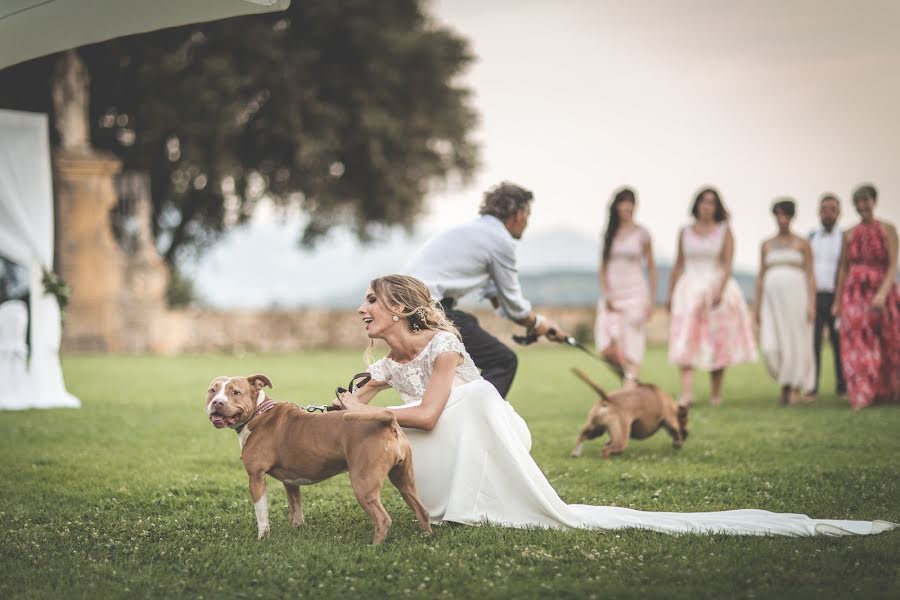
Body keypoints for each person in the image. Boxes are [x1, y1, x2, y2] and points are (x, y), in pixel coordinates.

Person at [335, 274, 895, 536]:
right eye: (363, 301)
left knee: (475, 398)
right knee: (393, 424)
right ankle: (436, 501)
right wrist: (347, 403)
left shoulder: (444, 345)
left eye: (371, 301)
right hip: (445, 436)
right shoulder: (386, 362)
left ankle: (472, 498)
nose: (363, 309)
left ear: (401, 308)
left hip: (486, 428)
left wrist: (362, 411)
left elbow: (430, 414)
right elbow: (350, 406)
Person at [405, 182, 568, 398]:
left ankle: (457, 415)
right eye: (528, 214)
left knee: (466, 335)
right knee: (503, 360)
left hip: (407, 308)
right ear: (518, 214)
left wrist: (536, 326)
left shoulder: (475, 232)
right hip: (429, 309)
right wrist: (540, 323)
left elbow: (498, 300)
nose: (527, 221)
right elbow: (514, 306)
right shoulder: (499, 241)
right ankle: (477, 418)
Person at [666, 188, 756, 407]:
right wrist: (670, 293)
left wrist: (720, 289)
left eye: (712, 203)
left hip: (716, 287)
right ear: (697, 205)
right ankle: (687, 393)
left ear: (717, 207)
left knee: (717, 339)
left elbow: (727, 263)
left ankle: (716, 393)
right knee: (686, 337)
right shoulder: (684, 232)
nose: (707, 207)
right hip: (689, 288)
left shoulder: (725, 231)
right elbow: (678, 263)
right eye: (703, 202)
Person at [832, 185, 900, 409]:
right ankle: (861, 393)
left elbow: (892, 265)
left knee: (889, 341)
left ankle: (888, 390)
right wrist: (838, 300)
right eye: (857, 202)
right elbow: (843, 267)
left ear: (874, 201)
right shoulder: (849, 233)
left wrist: (882, 294)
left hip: (882, 291)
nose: (862, 206)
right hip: (854, 293)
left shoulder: (888, 229)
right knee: (857, 343)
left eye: (865, 201)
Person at [754, 199, 815, 406]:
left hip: (797, 298)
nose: (782, 220)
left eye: (785, 215)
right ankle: (784, 382)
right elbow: (761, 276)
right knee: (772, 345)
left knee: (795, 342)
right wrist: (757, 306)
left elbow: (810, 275)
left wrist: (812, 304)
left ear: (792, 217)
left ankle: (793, 387)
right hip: (771, 302)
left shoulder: (802, 243)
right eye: (778, 215)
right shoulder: (766, 244)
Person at [594, 188, 657, 388]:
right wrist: (607, 294)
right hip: (613, 295)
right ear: (616, 206)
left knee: (632, 346)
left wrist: (650, 300)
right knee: (606, 349)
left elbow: (652, 268)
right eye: (623, 202)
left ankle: (628, 392)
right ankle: (631, 384)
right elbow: (602, 267)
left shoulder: (642, 234)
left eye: (631, 202)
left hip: (636, 293)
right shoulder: (608, 234)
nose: (627, 206)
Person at [807, 194, 847, 399]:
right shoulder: (812, 237)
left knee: (838, 342)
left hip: (837, 296)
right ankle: (812, 386)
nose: (828, 213)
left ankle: (842, 386)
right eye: (824, 209)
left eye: (832, 209)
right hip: (815, 296)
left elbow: (844, 268)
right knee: (813, 343)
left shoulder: (844, 238)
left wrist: (839, 300)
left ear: (839, 212)